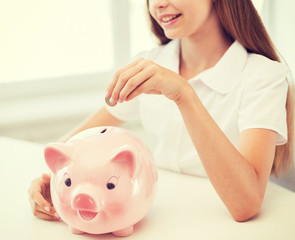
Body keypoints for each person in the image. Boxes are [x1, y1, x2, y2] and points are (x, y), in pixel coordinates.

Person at [28, 0, 294, 222]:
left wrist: (183, 94)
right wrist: (47, 177)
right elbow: (79, 141)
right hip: (159, 215)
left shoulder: (263, 76)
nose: (158, 4)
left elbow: (245, 205)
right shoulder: (149, 64)